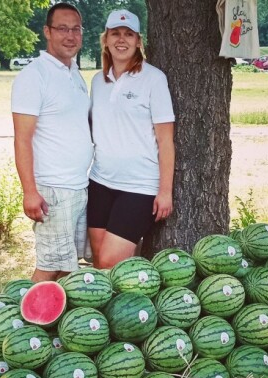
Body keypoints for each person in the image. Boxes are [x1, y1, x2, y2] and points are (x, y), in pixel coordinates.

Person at [11, 3, 93, 282]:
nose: (70, 36)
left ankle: (53, 323)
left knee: (67, 267)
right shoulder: (34, 76)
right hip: (52, 191)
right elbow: (22, 138)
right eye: (62, 29)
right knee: (50, 265)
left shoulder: (74, 73)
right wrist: (29, 192)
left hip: (78, 186)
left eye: (76, 29)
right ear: (47, 31)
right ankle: (21, 323)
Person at [88, 9, 176, 269]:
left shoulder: (154, 79)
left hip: (139, 187)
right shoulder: (97, 81)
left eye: (129, 34)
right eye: (115, 33)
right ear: (105, 39)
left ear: (139, 41)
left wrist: (165, 191)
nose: (121, 39)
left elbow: (166, 141)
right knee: (97, 260)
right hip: (100, 181)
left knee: (108, 262)